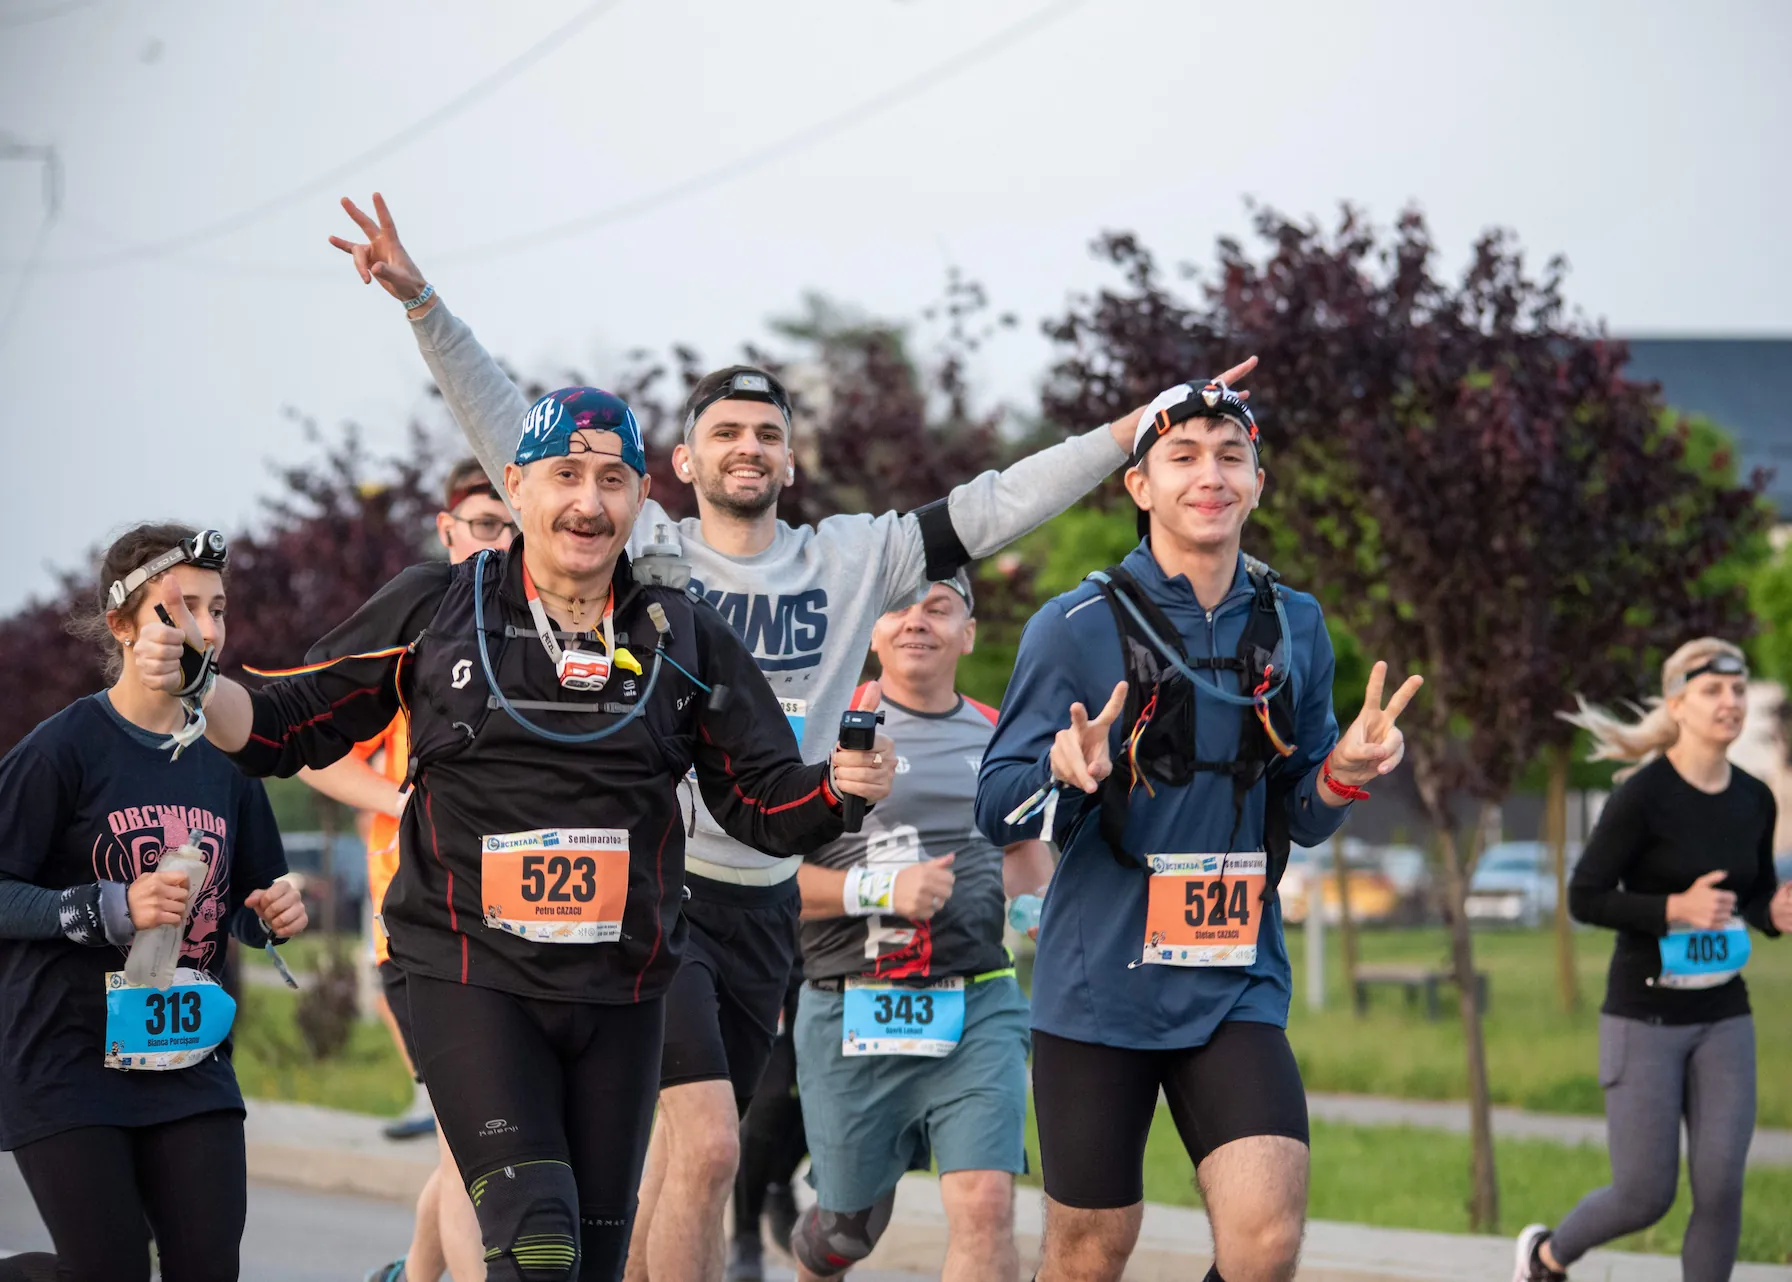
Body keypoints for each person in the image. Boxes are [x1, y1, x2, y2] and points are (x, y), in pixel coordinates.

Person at [325, 190, 1241, 1282]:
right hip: (654, 883)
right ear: (680, 463)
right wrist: (424, 304)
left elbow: (997, 504)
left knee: (686, 1163)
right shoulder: (647, 548)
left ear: (790, 462)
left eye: (767, 433)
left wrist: (1131, 433)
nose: (747, 447)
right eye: (724, 433)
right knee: (707, 1139)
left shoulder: (854, 560)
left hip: (769, 891)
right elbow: (506, 426)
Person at [130, 388, 897, 1282]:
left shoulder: (682, 634)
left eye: (613, 480)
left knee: (593, 1264)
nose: (589, 502)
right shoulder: (434, 610)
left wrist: (842, 789)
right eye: (565, 475)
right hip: (471, 976)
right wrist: (198, 680)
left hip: (621, 991)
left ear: (642, 501)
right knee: (537, 1243)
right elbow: (284, 723)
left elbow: (763, 804)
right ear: (517, 485)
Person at [976, 379, 1421, 1282]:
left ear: (1259, 481)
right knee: (1090, 1253)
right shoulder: (1070, 626)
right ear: (1139, 485)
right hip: (1100, 984)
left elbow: (1298, 804)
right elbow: (996, 805)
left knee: (1265, 1242)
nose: (1208, 476)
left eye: (1230, 456)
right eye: (1182, 457)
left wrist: (1346, 773)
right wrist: (1064, 776)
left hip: (1234, 979)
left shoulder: (1295, 621)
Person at [0, 523, 309, 1282]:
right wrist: (110, 906)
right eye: (179, 609)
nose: (206, 629)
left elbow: (242, 900)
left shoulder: (229, 757)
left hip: (189, 1058)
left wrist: (271, 912)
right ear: (122, 625)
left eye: (218, 609)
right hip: (67, 1061)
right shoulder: (61, 749)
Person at [1514, 638, 1792, 1282]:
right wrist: (1672, 908)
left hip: (1725, 1014)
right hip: (1644, 1017)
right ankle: (1546, 1255)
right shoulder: (1642, 797)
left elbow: (1752, 892)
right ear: (1677, 705)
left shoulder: (1755, 798)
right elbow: (1584, 897)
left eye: (1737, 689)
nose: (1729, 702)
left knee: (1722, 1185)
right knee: (1646, 1194)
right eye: (1712, 690)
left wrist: (1772, 915)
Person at [786, 572, 1053, 1282]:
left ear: (968, 634)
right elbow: (775, 885)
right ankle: (821, 1232)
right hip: (850, 1003)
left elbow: (1026, 857)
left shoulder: (1001, 735)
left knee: (987, 1200)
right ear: (871, 632)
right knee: (846, 1233)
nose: (916, 622)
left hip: (977, 1000)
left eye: (939, 609)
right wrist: (884, 888)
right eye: (898, 608)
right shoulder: (818, 728)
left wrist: (1045, 919)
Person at [301, 459, 510, 1282]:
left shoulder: (536, 637)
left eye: (511, 526)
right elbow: (314, 757)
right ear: (447, 527)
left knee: (478, 1145)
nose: (501, 541)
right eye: (485, 524)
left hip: (517, 933)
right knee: (474, 1148)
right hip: (420, 934)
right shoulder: (416, 638)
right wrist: (404, 800)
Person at [724, 961, 807, 1282]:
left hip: (836, 961)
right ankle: (746, 1234)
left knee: (817, 1104)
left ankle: (779, 1184)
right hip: (780, 961)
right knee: (767, 1101)